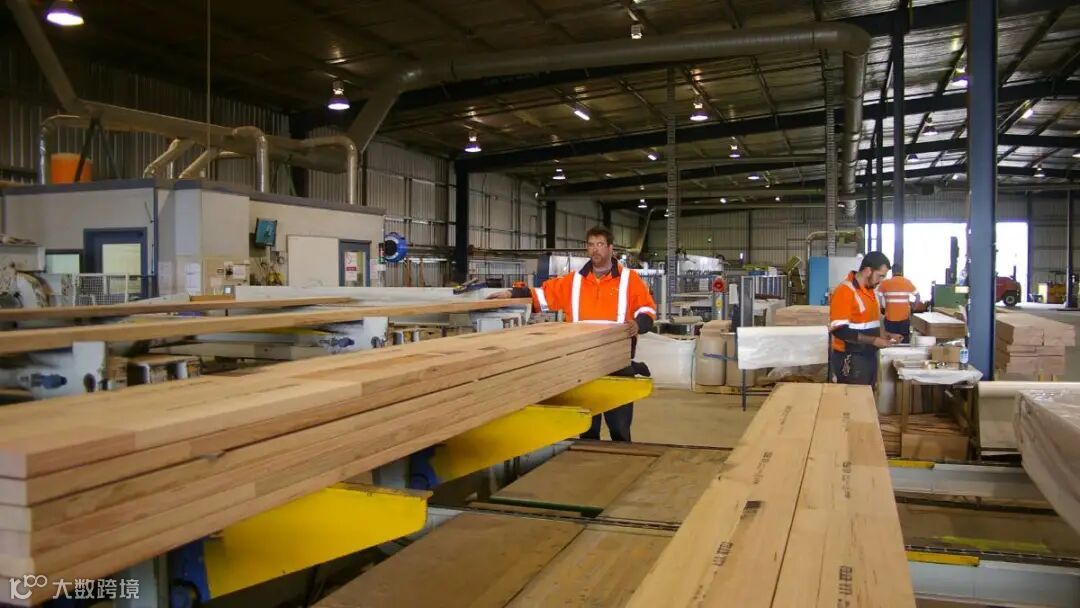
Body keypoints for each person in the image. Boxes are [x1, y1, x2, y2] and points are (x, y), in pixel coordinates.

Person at [489, 226, 656, 441]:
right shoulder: (574, 281)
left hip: (617, 364)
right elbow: (542, 295)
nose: (595, 249)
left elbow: (647, 308)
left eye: (600, 244)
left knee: (620, 430)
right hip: (582, 365)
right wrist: (512, 292)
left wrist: (638, 324)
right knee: (587, 429)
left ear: (610, 248)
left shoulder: (629, 280)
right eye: (591, 245)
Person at [829, 251, 902, 385]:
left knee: (867, 396)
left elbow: (869, 324)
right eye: (880, 276)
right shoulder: (845, 291)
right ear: (868, 271)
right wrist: (874, 340)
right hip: (850, 358)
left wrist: (885, 335)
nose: (881, 281)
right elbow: (839, 330)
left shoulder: (870, 292)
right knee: (854, 397)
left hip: (868, 356)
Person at [878, 265, 920, 343]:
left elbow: (879, 297)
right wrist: (913, 308)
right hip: (904, 319)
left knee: (890, 341)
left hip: (890, 318)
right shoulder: (907, 282)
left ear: (892, 272)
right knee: (904, 340)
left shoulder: (885, 283)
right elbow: (917, 296)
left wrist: (882, 308)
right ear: (901, 271)